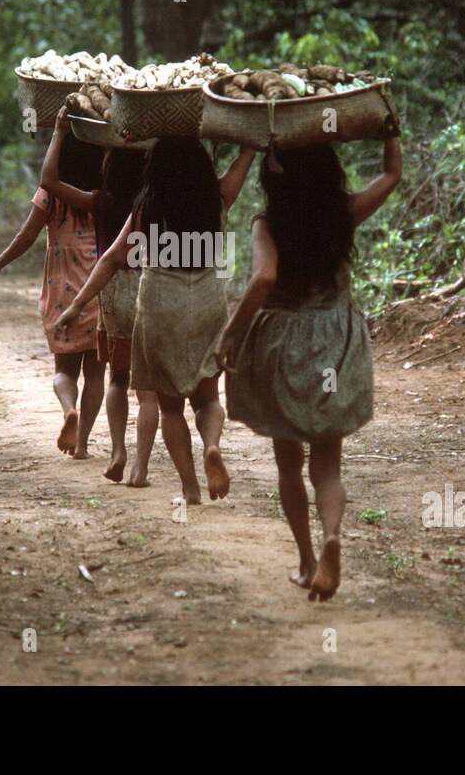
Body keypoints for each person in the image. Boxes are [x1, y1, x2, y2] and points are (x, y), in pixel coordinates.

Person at [216, 133, 402, 601]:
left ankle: (305, 560)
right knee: (328, 464)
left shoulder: (268, 224)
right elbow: (392, 175)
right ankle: (333, 536)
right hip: (335, 343)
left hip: (286, 346)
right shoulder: (343, 213)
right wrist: (390, 132)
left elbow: (263, 279)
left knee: (287, 463)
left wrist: (232, 332)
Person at [56, 137, 256, 505]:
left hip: (161, 303)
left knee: (170, 408)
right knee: (208, 400)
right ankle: (211, 446)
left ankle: (190, 487)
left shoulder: (145, 208)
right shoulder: (218, 197)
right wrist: (252, 139)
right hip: (208, 301)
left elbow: (112, 260)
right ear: (203, 167)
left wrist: (75, 306)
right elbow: (245, 156)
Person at [0, 108, 104, 459]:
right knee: (97, 373)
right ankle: (82, 443)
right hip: (97, 289)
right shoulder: (103, 195)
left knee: (64, 370)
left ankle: (69, 409)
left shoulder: (50, 195)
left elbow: (27, 236)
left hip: (62, 292)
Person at [88, 146, 160, 486]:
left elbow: (50, 182)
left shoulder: (100, 201)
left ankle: (118, 450)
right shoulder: (155, 205)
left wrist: (59, 133)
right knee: (148, 389)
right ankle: (140, 467)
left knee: (117, 377)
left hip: (114, 288)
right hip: (149, 283)